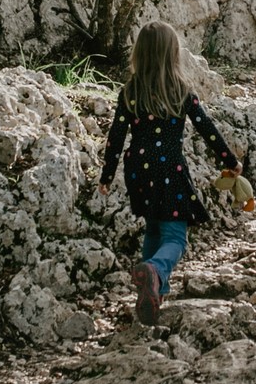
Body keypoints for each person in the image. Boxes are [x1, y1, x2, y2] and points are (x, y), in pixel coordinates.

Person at [97, 21, 242, 326]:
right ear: (172, 54)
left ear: (140, 54)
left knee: (153, 228)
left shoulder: (130, 91)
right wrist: (229, 160)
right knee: (176, 236)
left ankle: (153, 295)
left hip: (137, 170)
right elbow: (207, 129)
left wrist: (107, 175)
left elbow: (115, 136)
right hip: (169, 169)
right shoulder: (181, 90)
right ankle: (156, 271)